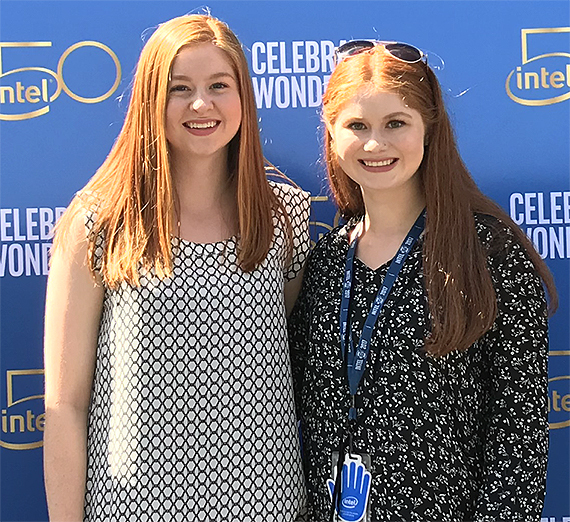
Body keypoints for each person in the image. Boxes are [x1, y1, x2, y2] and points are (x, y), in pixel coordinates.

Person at [43, 14, 310, 522]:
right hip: (134, 509)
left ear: (243, 98)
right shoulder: (99, 221)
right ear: (150, 100)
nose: (201, 104)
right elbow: (65, 404)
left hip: (268, 506)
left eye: (218, 86)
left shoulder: (285, 216)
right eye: (179, 88)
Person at [289, 40, 556, 522]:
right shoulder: (326, 260)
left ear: (428, 129)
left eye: (396, 123)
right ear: (331, 134)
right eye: (357, 126)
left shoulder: (487, 252)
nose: (375, 144)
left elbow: (519, 435)